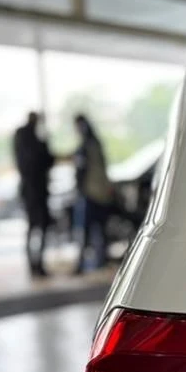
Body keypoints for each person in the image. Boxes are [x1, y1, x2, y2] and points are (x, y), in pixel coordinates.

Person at [13, 112, 55, 276]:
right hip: (36, 190)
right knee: (38, 226)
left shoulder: (22, 138)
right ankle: (35, 263)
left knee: (34, 227)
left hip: (31, 190)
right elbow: (45, 160)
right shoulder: (33, 140)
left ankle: (34, 263)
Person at [72, 114, 114, 273]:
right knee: (100, 230)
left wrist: (79, 189)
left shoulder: (85, 146)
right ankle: (100, 261)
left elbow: (81, 170)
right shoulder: (96, 143)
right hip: (100, 193)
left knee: (86, 230)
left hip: (90, 193)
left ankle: (83, 263)